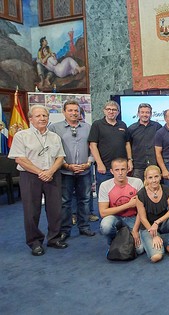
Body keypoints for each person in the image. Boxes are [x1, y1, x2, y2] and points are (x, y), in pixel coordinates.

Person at [9, 105, 67, 256]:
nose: (42, 118)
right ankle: (34, 242)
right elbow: (20, 159)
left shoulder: (54, 136)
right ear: (30, 119)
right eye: (38, 116)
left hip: (53, 174)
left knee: (55, 210)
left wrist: (50, 172)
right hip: (30, 176)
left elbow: (60, 157)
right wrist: (41, 172)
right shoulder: (21, 136)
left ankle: (54, 238)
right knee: (31, 211)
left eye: (44, 116)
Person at [48, 99, 95, 241]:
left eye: (76, 110)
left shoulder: (88, 127)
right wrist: (66, 165)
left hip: (84, 170)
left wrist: (88, 163)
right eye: (70, 110)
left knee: (85, 199)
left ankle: (84, 227)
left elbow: (94, 148)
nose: (74, 113)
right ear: (64, 112)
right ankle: (65, 230)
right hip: (64, 171)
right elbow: (51, 150)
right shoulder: (54, 128)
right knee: (65, 201)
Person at [135, 165, 169, 262]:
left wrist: (157, 222)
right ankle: (149, 240)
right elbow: (142, 218)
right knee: (156, 257)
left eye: (156, 176)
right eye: (150, 177)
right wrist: (154, 235)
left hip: (161, 223)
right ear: (145, 179)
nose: (154, 180)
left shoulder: (167, 189)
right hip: (147, 227)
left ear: (160, 176)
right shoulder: (140, 194)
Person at [98, 158, 144, 255]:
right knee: (105, 226)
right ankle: (113, 243)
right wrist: (128, 205)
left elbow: (142, 210)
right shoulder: (105, 185)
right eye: (117, 170)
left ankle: (127, 235)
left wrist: (135, 230)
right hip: (116, 218)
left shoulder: (137, 182)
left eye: (123, 169)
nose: (120, 173)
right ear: (111, 171)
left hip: (133, 218)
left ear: (128, 169)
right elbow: (103, 212)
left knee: (140, 250)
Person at [89, 100, 132, 195]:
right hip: (105, 168)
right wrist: (99, 163)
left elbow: (127, 144)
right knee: (105, 194)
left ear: (118, 112)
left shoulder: (122, 124)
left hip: (121, 168)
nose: (111, 111)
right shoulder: (97, 125)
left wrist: (129, 160)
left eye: (114, 110)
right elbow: (93, 145)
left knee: (122, 193)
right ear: (104, 111)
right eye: (108, 109)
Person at [127, 103, 162, 179]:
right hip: (138, 165)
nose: (145, 115)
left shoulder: (157, 127)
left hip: (154, 164)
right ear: (138, 114)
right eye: (142, 112)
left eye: (147, 112)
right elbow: (128, 146)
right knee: (138, 188)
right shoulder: (131, 129)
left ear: (151, 114)